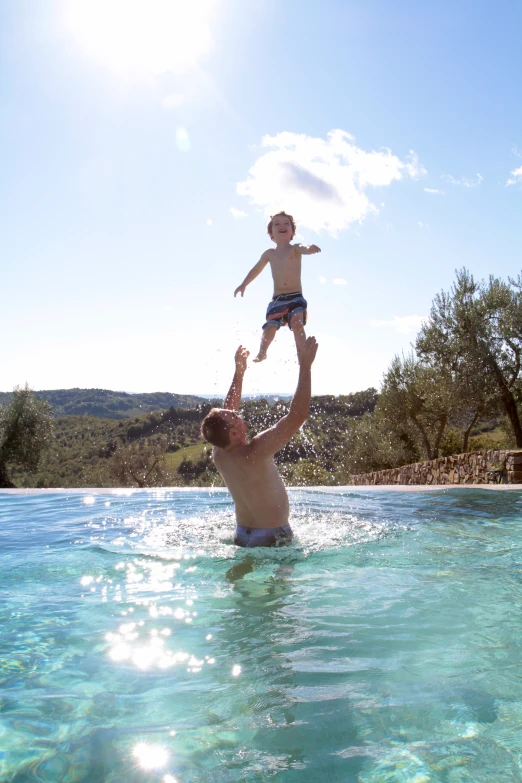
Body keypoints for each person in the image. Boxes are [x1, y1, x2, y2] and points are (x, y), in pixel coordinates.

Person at [200, 337, 319, 547]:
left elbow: (224, 417)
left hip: (241, 535)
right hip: (273, 537)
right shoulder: (255, 451)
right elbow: (297, 416)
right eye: (234, 417)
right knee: (281, 581)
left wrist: (239, 372)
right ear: (235, 435)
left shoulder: (219, 452)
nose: (236, 412)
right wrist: (306, 366)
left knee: (240, 580)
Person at [234, 211, 321, 362]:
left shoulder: (295, 248)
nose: (282, 225)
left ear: (292, 231)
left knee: (297, 323)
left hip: (296, 297)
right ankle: (262, 352)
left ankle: (302, 353)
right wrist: (244, 284)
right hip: (278, 299)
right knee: (270, 326)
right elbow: (256, 269)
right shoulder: (269, 254)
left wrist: (310, 248)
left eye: (286, 223)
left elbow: (304, 247)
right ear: (271, 233)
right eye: (277, 224)